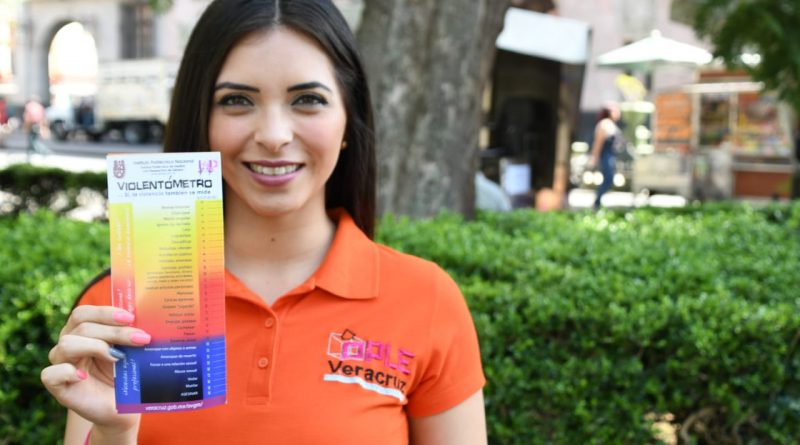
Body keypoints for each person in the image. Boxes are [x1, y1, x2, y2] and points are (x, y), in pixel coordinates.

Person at [40, 1, 487, 444]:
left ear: (348, 121)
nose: (274, 135)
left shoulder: (427, 300)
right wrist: (114, 432)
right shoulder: (119, 308)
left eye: (308, 100)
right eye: (237, 101)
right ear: (202, 119)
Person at [588, 102, 622, 209]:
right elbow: (598, 143)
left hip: (611, 154)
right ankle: (597, 202)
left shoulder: (611, 124)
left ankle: (598, 201)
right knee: (608, 177)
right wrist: (594, 157)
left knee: (609, 178)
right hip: (606, 154)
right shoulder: (604, 124)